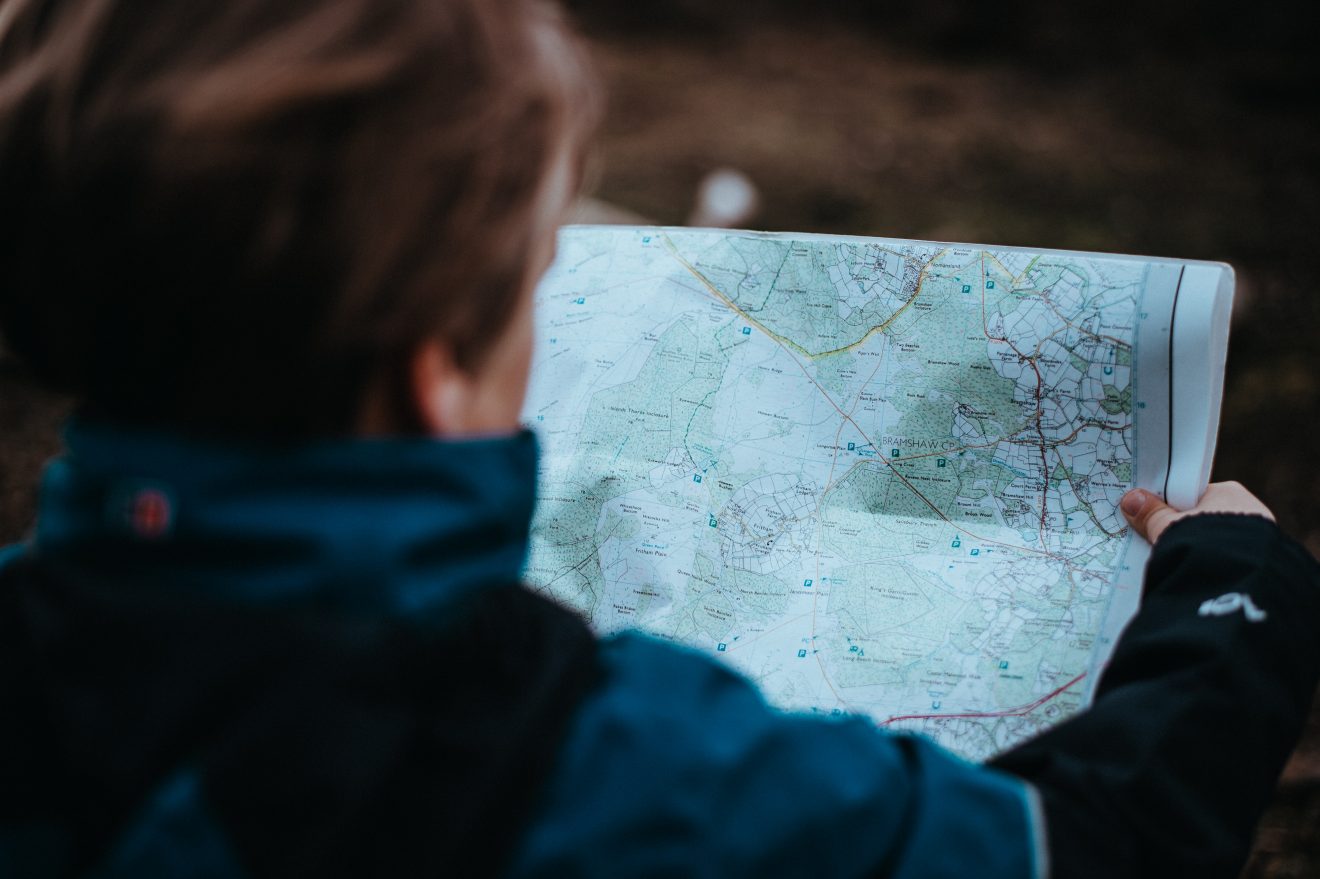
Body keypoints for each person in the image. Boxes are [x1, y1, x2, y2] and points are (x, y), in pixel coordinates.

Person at [0, 0, 1316, 876]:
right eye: (532, 286)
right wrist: (1236, 599)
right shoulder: (622, 761)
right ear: (435, 382)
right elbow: (1083, 846)